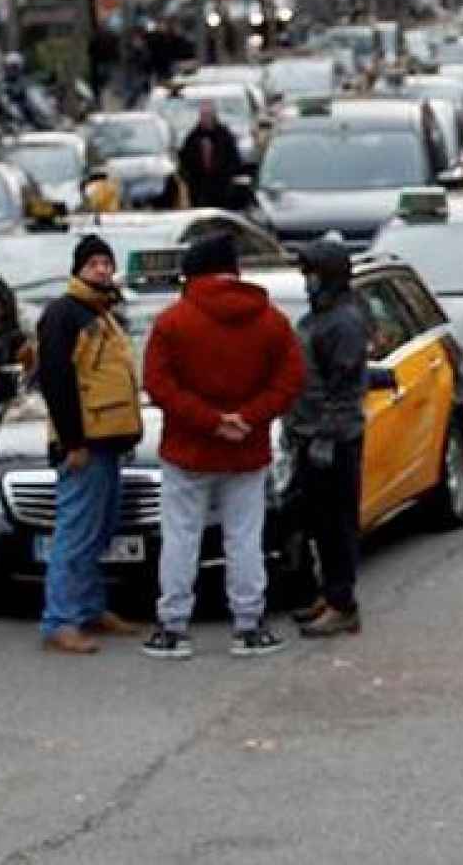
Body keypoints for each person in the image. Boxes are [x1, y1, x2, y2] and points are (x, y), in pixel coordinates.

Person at [141, 232, 306, 660]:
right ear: (235, 270)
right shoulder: (270, 320)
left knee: (180, 535)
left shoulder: (172, 321)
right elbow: (290, 380)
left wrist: (210, 422)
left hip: (188, 447)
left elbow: (159, 384)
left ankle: (173, 627)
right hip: (246, 449)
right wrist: (248, 418)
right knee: (244, 537)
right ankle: (249, 625)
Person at [32, 235, 146, 654]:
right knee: (76, 534)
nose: (102, 269)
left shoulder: (104, 313)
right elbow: (56, 381)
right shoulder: (65, 314)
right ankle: (60, 621)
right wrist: (73, 440)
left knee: (99, 531)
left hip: (108, 442)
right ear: (78, 268)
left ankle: (90, 608)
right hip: (85, 445)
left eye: (107, 263)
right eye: (94, 263)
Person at [287, 240, 370, 638]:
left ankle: (343, 603)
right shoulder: (320, 316)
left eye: (313, 274)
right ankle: (330, 593)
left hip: (334, 440)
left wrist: (327, 436)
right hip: (310, 432)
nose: (307, 281)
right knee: (318, 522)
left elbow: (344, 387)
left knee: (337, 524)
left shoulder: (343, 323)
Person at [178, 100, 243, 210]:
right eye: (203, 116)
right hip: (199, 191)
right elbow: (183, 163)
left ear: (214, 116)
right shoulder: (192, 137)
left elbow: (234, 160)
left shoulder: (225, 135)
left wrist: (227, 178)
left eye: (208, 115)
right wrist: (190, 181)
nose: (205, 119)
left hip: (221, 190)